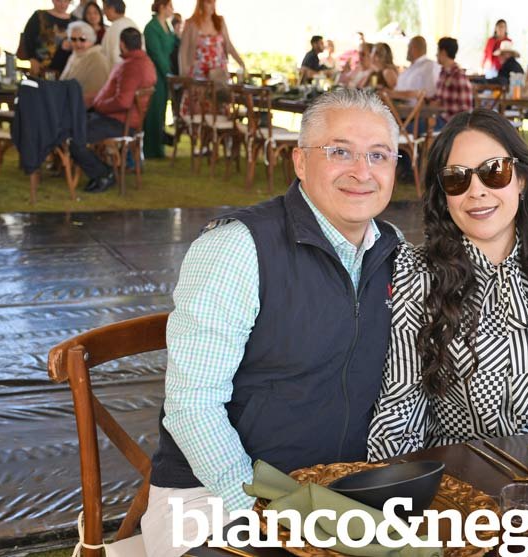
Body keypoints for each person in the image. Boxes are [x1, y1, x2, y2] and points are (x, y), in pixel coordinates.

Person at [140, 89, 401, 557]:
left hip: (342, 490)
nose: (362, 172)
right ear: (300, 161)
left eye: (378, 155)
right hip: (215, 496)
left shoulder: (393, 250)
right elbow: (192, 406)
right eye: (340, 151)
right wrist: (268, 513)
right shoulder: (237, 248)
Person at [368, 108, 528, 459]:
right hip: (453, 479)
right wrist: (396, 486)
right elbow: (400, 411)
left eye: (494, 172)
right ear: (444, 195)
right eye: (457, 178)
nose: (477, 191)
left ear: (521, 179)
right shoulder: (417, 273)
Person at [69, 27, 156, 193]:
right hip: (124, 120)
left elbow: (123, 102)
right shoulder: (146, 63)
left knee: (75, 135)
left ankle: (103, 174)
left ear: (122, 44)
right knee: (76, 125)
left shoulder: (131, 66)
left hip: (119, 122)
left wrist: (99, 105)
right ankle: (102, 171)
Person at [144, 0, 177, 158]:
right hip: (156, 75)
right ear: (162, 7)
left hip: (166, 74)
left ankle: (159, 147)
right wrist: (168, 74)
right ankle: (151, 149)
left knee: (162, 111)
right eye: (170, 6)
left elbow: (173, 43)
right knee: (154, 111)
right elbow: (156, 54)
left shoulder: (168, 26)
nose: (172, 9)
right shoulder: (151, 28)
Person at [178, 0, 245, 80]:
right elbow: (183, 50)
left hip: (219, 74)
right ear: (201, 4)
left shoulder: (219, 21)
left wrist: (241, 62)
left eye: (214, 2)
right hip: (198, 75)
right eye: (209, 2)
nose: (213, 5)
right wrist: (184, 73)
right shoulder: (191, 23)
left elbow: (229, 45)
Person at [60, 21, 110, 104]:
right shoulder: (74, 55)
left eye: (82, 39)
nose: (78, 43)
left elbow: (97, 94)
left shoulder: (96, 58)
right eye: (73, 39)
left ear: (91, 39)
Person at [21, 0, 75, 77]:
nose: (62, 4)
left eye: (66, 1)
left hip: (65, 68)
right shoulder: (39, 16)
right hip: (40, 66)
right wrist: (32, 58)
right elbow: (28, 38)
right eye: (59, 1)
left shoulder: (75, 21)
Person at [434, 37, 473, 126]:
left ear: (443, 52)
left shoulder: (458, 75)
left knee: (410, 127)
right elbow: (438, 98)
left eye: (438, 51)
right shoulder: (443, 73)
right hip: (438, 117)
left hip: (450, 123)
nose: (436, 55)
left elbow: (466, 111)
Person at [101, 0, 140, 70]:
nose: (104, 13)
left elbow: (116, 56)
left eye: (105, 9)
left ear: (112, 9)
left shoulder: (116, 27)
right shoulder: (131, 23)